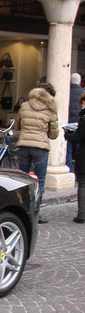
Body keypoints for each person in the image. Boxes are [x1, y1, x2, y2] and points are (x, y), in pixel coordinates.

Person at [13, 83, 59, 224]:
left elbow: (16, 126)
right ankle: (35, 214)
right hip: (40, 147)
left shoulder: (25, 105)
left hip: (24, 145)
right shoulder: (50, 109)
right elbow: (53, 134)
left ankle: (21, 210)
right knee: (40, 181)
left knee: (22, 179)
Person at [67, 92, 85, 223]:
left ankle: (82, 215)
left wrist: (67, 134)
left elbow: (78, 137)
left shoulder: (83, 119)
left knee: (83, 185)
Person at [67, 73, 83, 172]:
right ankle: (78, 170)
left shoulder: (66, 92)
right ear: (80, 81)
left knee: (67, 151)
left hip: (67, 125)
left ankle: (69, 170)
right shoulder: (83, 93)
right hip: (79, 125)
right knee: (78, 150)